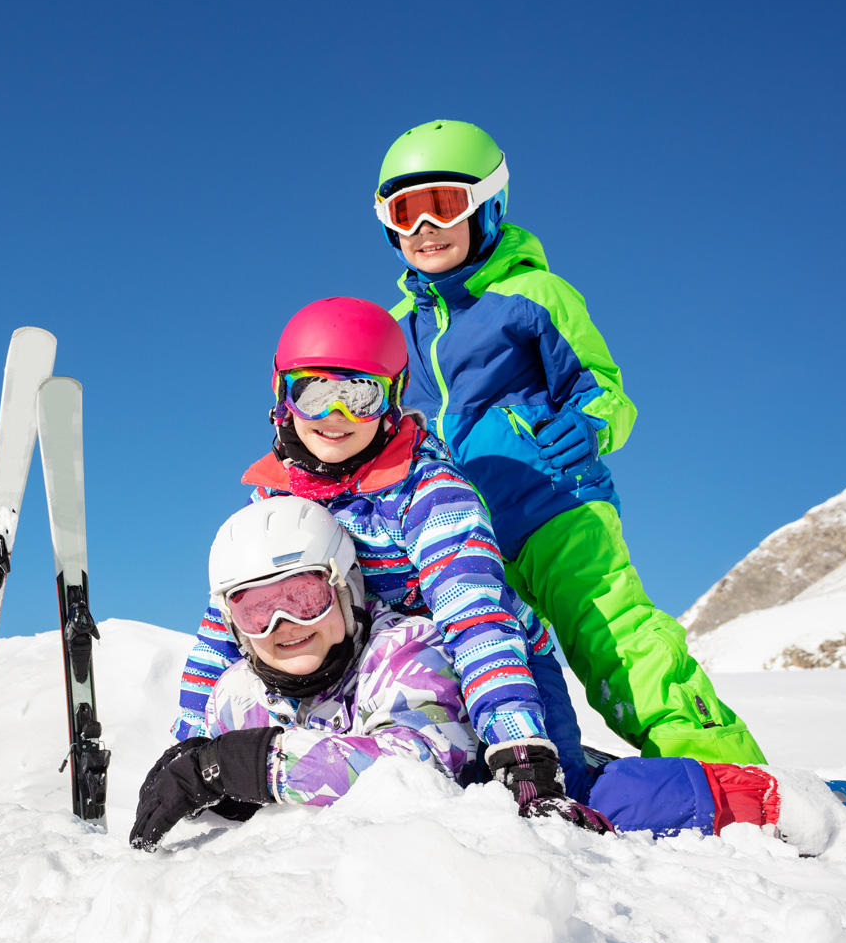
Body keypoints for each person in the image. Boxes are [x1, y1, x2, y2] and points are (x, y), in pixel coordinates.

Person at [133, 498, 846, 861]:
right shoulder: (239, 694)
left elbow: (409, 769)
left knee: (633, 802)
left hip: (506, 775)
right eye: (256, 608)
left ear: (345, 589)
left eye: (303, 595)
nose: (283, 625)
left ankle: (831, 807)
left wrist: (242, 765)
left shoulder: (406, 650)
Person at [374, 119, 763, 764]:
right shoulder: (393, 333)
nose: (424, 227)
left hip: (555, 505)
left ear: (487, 205)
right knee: (500, 664)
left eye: (443, 204)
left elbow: (604, 390)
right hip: (460, 535)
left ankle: (724, 768)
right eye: (404, 212)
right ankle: (553, 772)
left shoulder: (531, 295)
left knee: (613, 638)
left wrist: (590, 426)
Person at [172, 297, 594, 797]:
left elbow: (474, 612)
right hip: (370, 680)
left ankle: (662, 790)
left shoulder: (427, 492)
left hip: (494, 673)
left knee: (558, 798)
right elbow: (228, 623)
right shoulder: (276, 500)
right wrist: (189, 746)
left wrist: (517, 742)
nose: (335, 414)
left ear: (392, 396)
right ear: (282, 394)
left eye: (360, 394)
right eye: (313, 392)